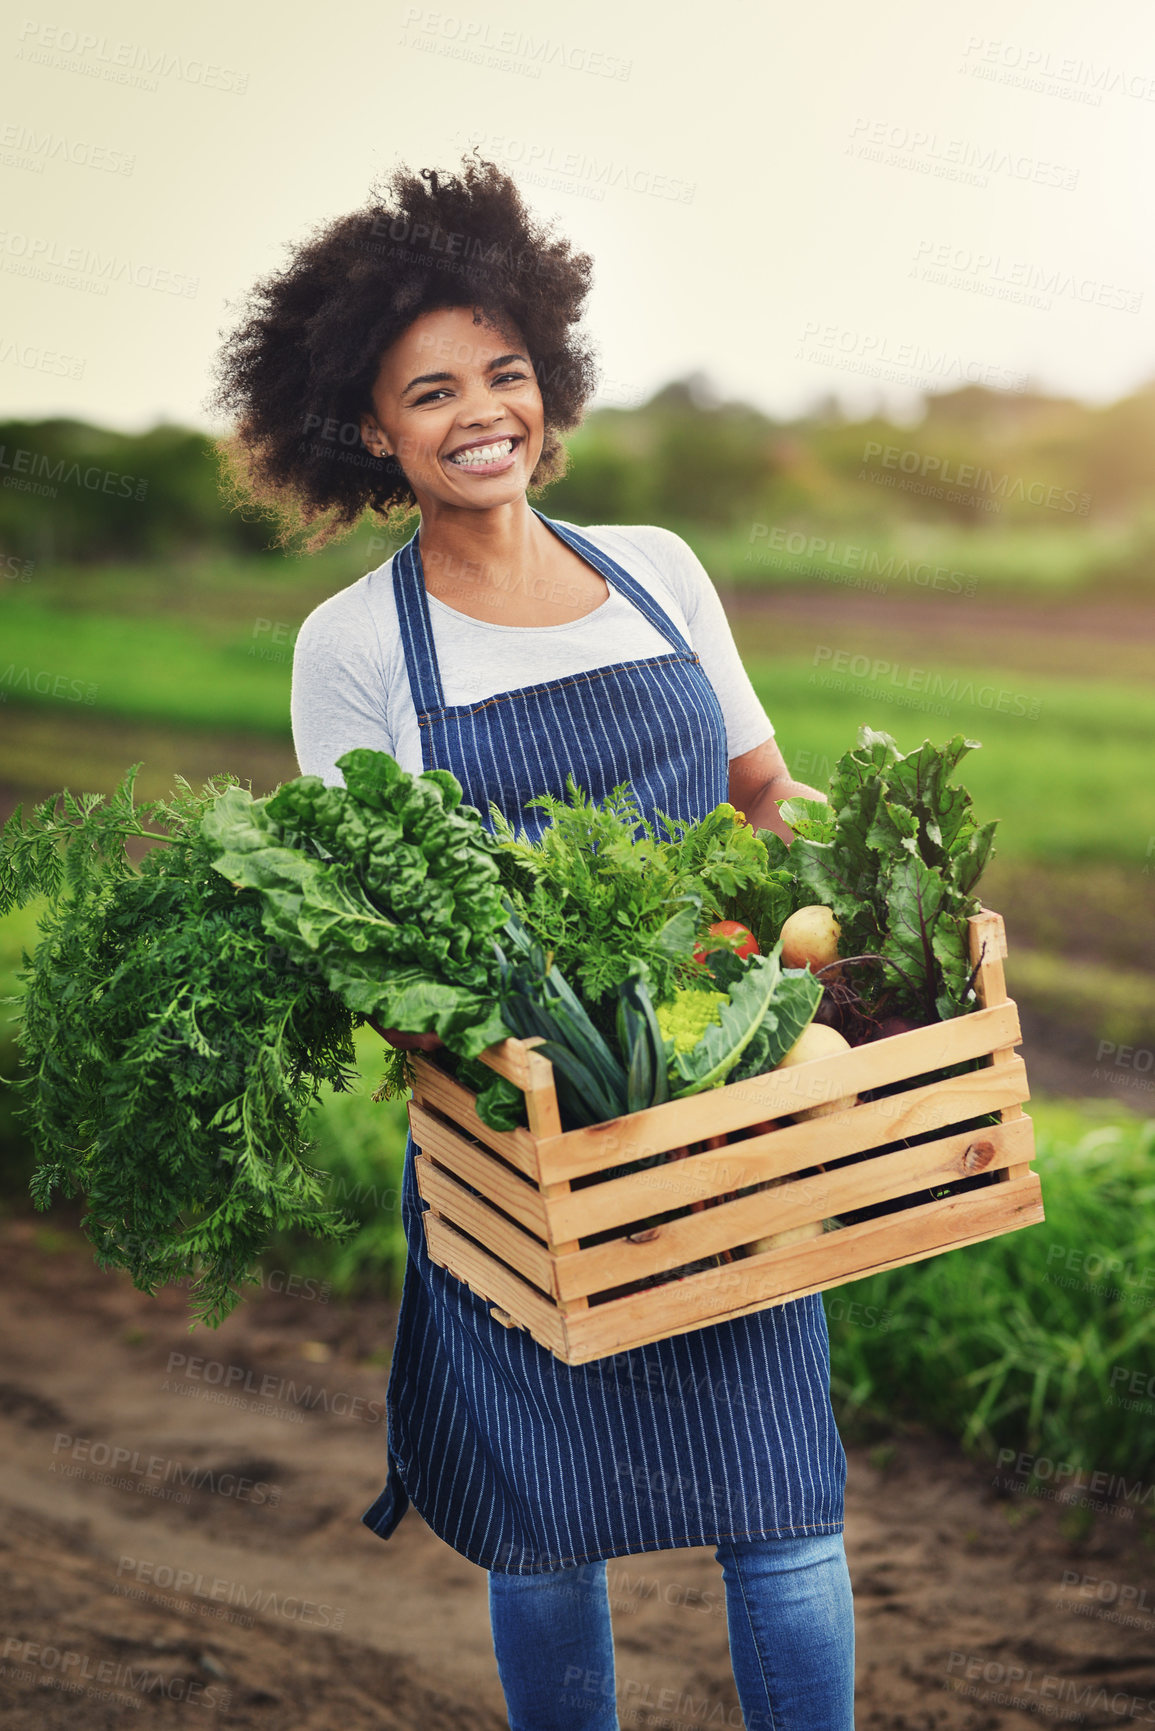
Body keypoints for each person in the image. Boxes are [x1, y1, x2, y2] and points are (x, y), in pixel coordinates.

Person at [210, 153, 855, 1731]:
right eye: (429, 391)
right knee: (547, 1530)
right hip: (522, 1131)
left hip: (717, 1104)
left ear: (549, 387)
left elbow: (761, 794)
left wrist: (868, 865)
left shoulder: (661, 572)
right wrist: (484, 1064)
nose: (478, 410)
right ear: (372, 431)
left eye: (505, 372)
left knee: (783, 1519)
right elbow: (366, 913)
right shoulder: (356, 642)